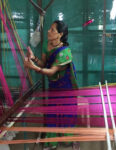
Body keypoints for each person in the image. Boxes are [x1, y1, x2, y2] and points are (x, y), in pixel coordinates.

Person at [24, 20, 80, 150]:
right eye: (50, 28)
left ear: (60, 34)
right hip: (54, 86)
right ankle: (52, 142)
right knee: (52, 114)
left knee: (66, 114)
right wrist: (34, 59)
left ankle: (67, 139)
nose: (49, 31)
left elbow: (52, 71)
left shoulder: (65, 52)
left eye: (52, 30)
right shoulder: (46, 45)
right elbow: (44, 64)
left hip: (66, 88)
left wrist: (34, 68)